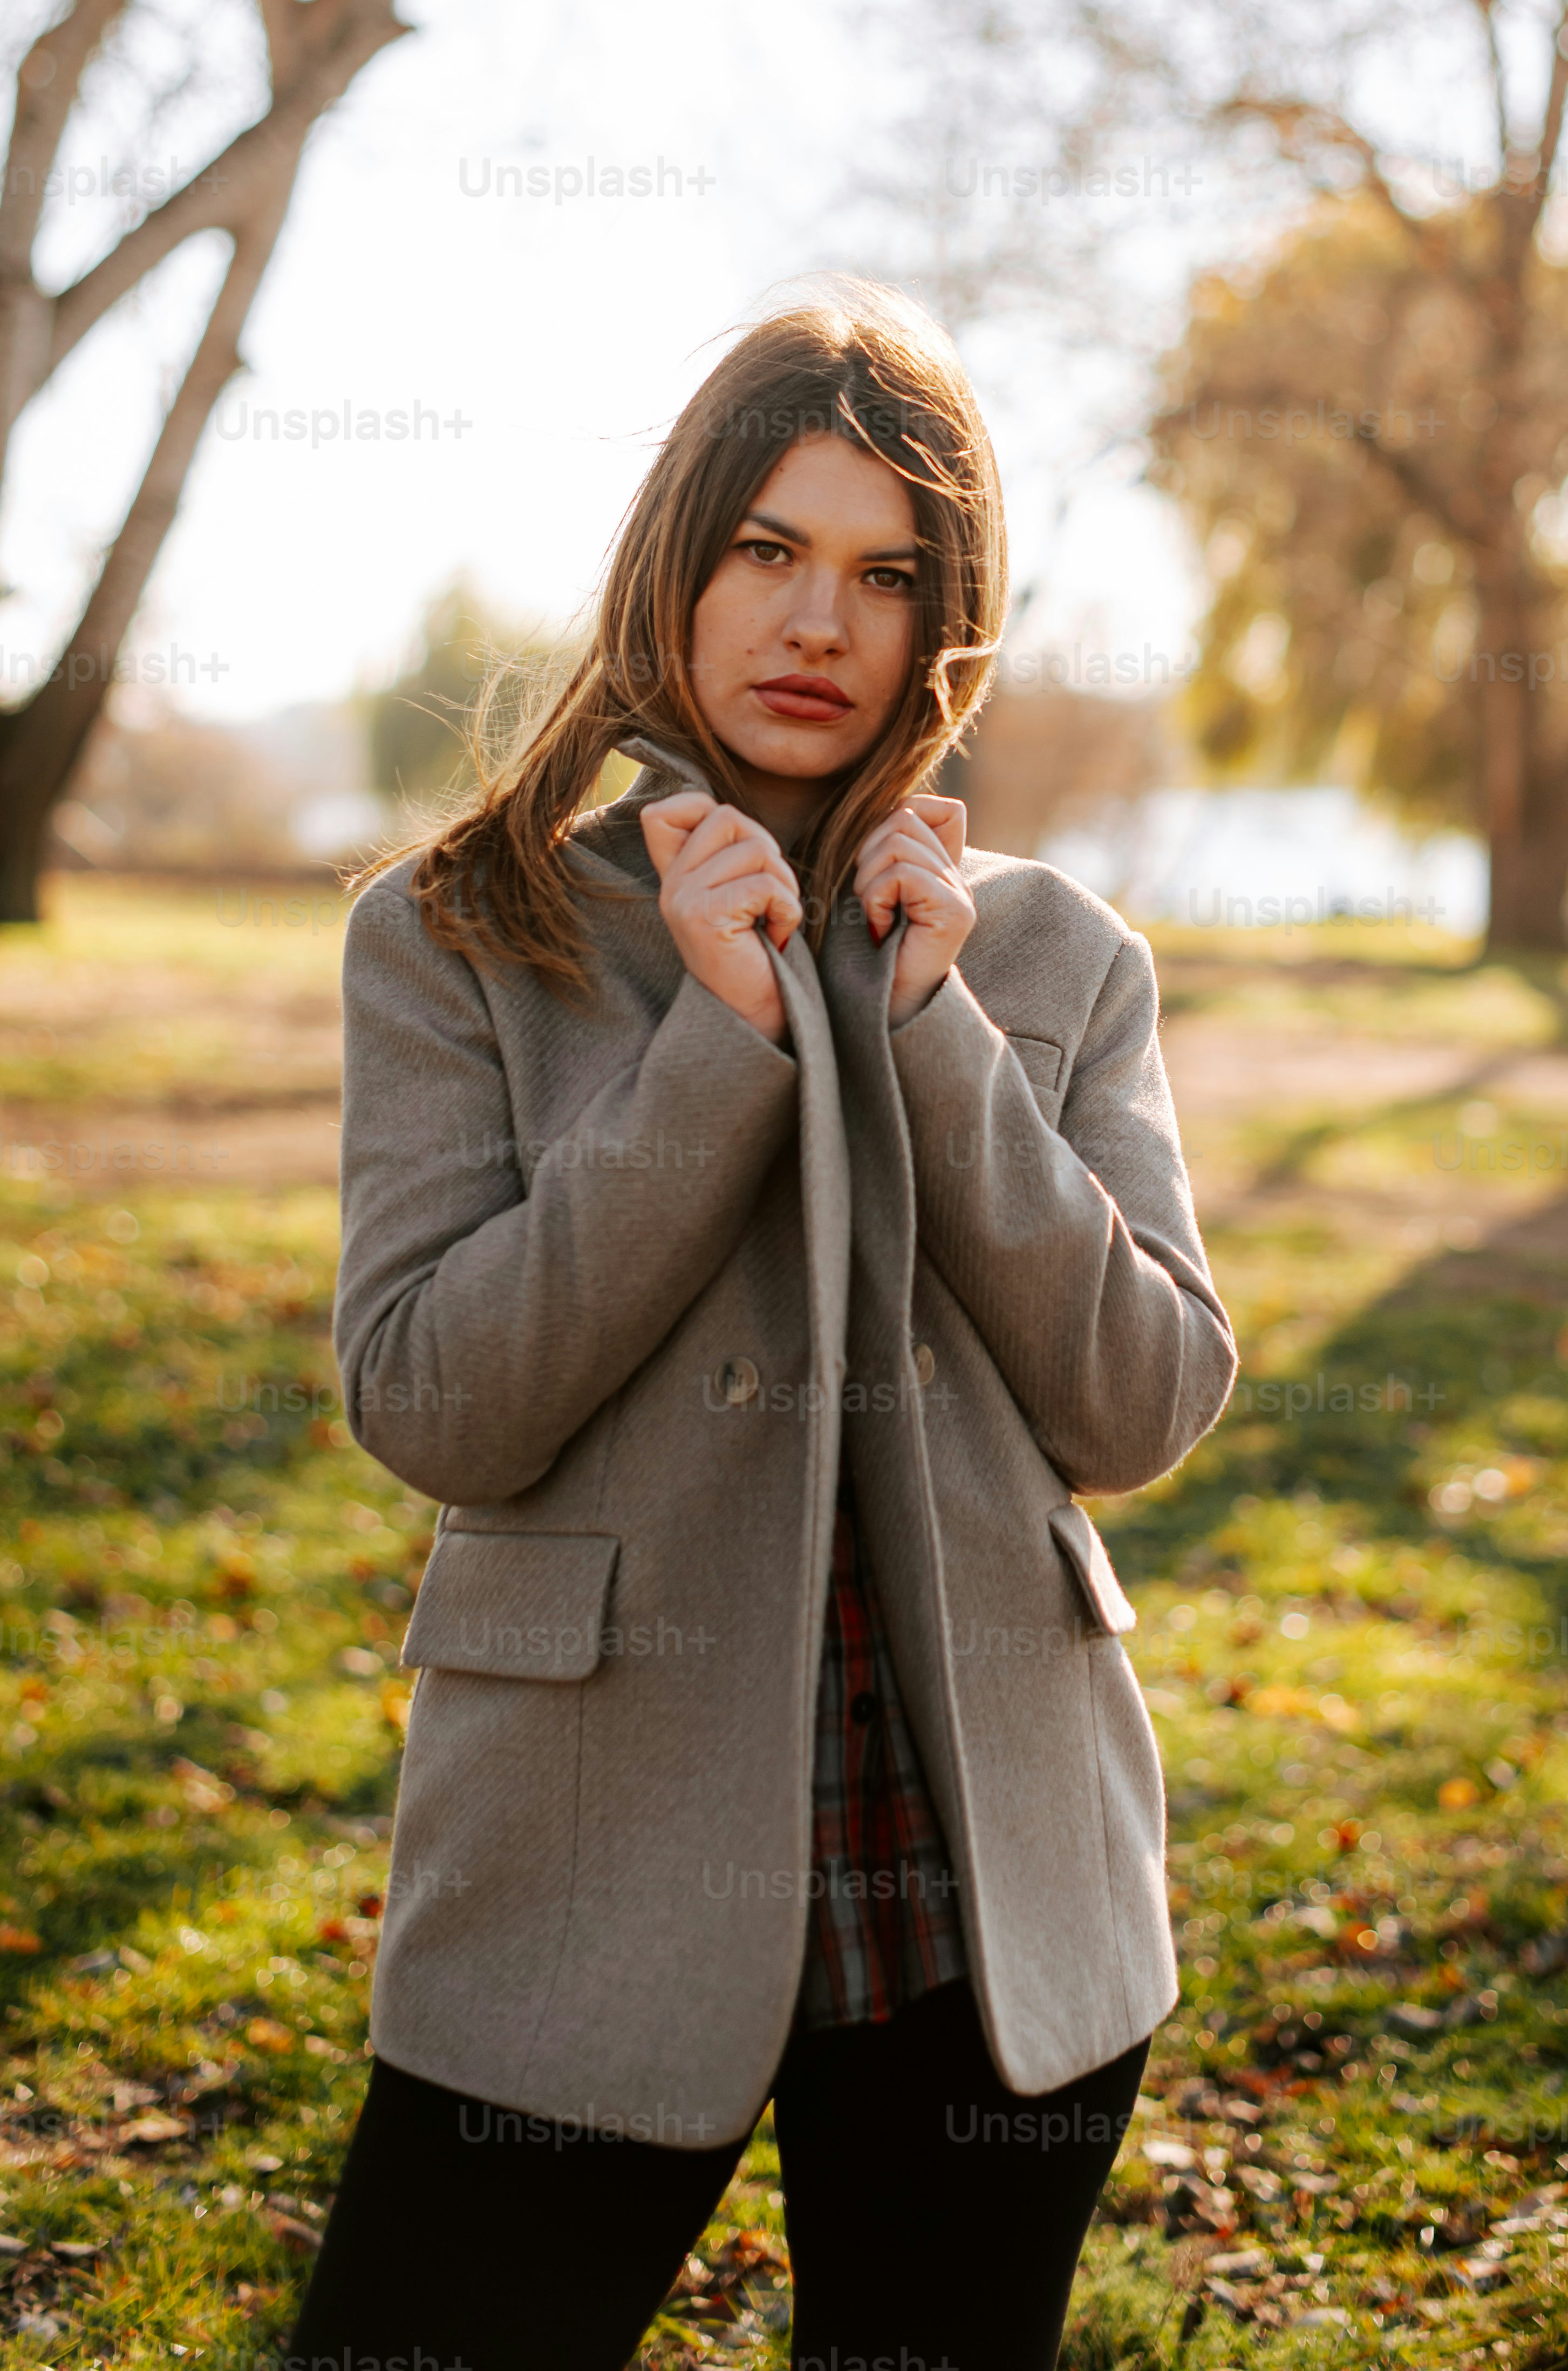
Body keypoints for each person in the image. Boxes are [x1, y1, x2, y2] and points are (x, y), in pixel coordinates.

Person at [285, 290, 1233, 2371]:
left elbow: (1148, 1394)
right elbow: (437, 1399)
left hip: (986, 1902)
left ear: (944, 621)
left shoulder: (1054, 955)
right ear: (676, 560)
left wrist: (935, 1028)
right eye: (768, 550)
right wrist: (715, 1046)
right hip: (581, 1881)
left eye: (888, 575)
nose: (821, 622)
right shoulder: (466, 933)